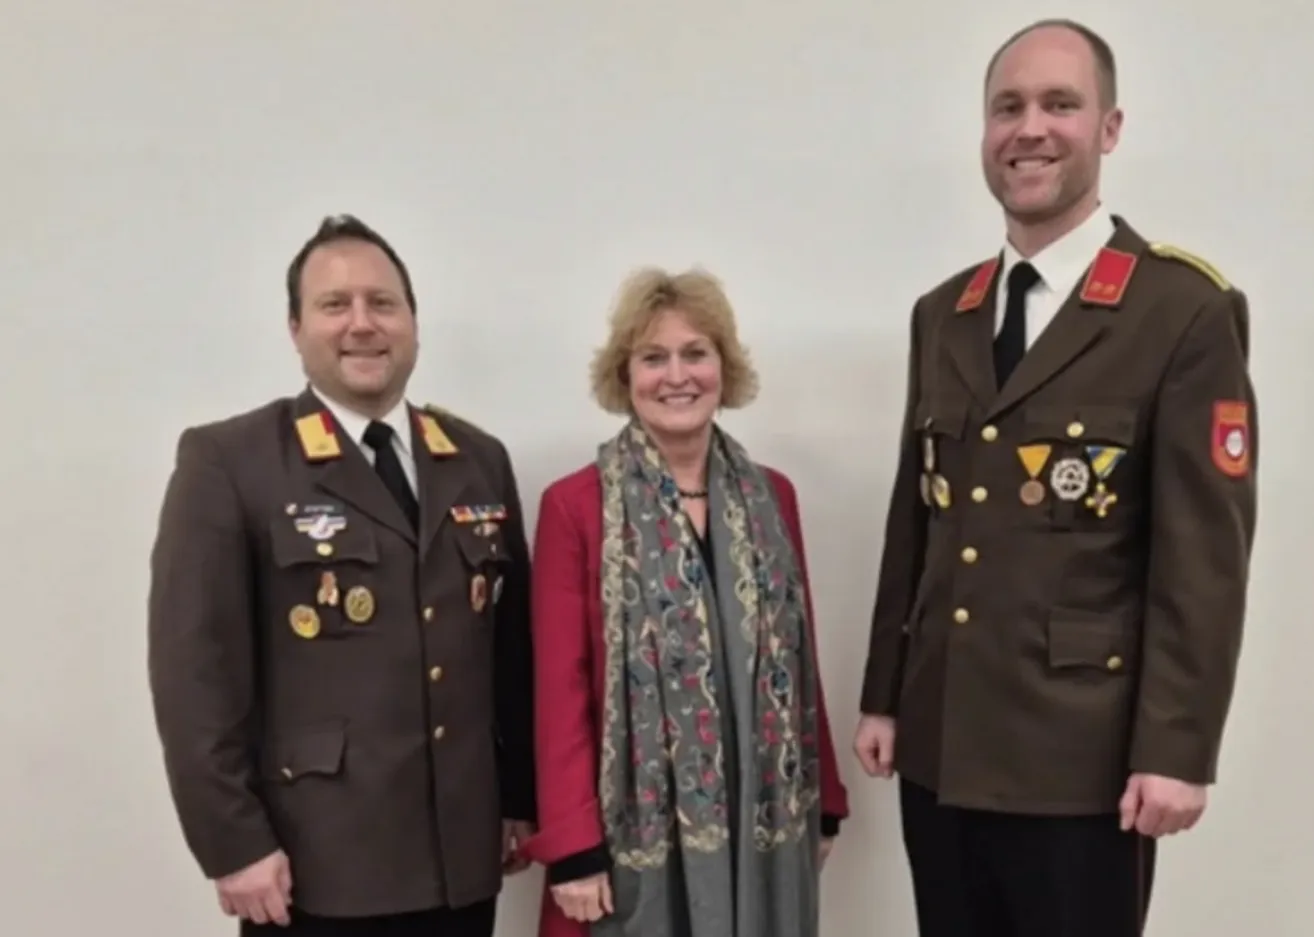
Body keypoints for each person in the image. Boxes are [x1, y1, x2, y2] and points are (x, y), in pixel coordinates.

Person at [852, 18, 1257, 937]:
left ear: (1108, 128)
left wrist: (1178, 749)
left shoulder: (1181, 311)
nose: (1028, 128)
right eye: (1007, 107)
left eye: (1059, 104)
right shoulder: (943, 313)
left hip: (1084, 759)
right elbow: (914, 516)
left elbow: (1203, 558)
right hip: (943, 743)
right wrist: (886, 691)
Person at [146, 213, 536, 937]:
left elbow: (511, 653)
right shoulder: (231, 462)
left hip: (463, 854)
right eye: (335, 305)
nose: (363, 323)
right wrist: (233, 843)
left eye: (383, 302)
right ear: (295, 328)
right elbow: (194, 675)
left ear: (414, 322)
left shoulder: (479, 459)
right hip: (315, 863)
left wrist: (519, 795)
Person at [518, 267, 851, 937]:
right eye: (653, 357)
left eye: (695, 352)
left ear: (723, 368)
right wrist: (572, 845)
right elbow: (559, 688)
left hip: (761, 813)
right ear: (625, 375)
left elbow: (798, 654)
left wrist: (824, 803)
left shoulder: (772, 495)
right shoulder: (577, 505)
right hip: (626, 834)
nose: (677, 375)